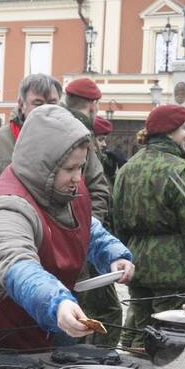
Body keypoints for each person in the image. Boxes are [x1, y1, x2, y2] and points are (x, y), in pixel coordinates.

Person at [0, 105, 134, 352]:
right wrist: (57, 302)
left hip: (33, 319)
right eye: (69, 169)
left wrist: (112, 253)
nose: (78, 177)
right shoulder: (7, 207)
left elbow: (85, 226)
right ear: (45, 165)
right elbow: (17, 264)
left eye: (81, 167)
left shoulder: (65, 189)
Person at [112, 104, 185, 350]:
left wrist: (125, 259)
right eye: (183, 128)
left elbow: (118, 224)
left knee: (141, 336)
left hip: (138, 266)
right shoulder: (179, 169)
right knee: (173, 341)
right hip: (176, 270)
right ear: (171, 131)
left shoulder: (127, 169)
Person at [61, 77, 123, 346]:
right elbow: (100, 190)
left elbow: (96, 192)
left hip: (81, 239)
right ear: (93, 105)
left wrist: (88, 228)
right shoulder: (77, 133)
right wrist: (84, 229)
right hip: (74, 245)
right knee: (88, 312)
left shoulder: (76, 132)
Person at [0, 73, 62, 219]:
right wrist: (1, 232)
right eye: (38, 103)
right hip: (9, 234)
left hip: (63, 236)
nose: (46, 109)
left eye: (52, 102)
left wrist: (86, 228)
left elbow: (96, 189)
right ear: (21, 105)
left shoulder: (73, 140)